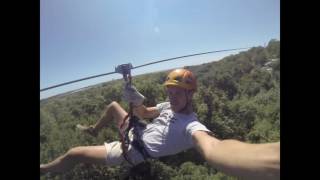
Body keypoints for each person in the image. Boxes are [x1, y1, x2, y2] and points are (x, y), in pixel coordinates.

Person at [40, 68, 280, 180]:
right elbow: (143, 113)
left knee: (75, 153)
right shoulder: (167, 106)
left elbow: (215, 148)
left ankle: (42, 169)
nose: (172, 97)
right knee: (114, 105)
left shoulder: (190, 126)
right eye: (170, 92)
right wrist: (135, 97)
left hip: (133, 151)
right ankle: (94, 129)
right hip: (137, 130)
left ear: (190, 95)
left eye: (177, 93)